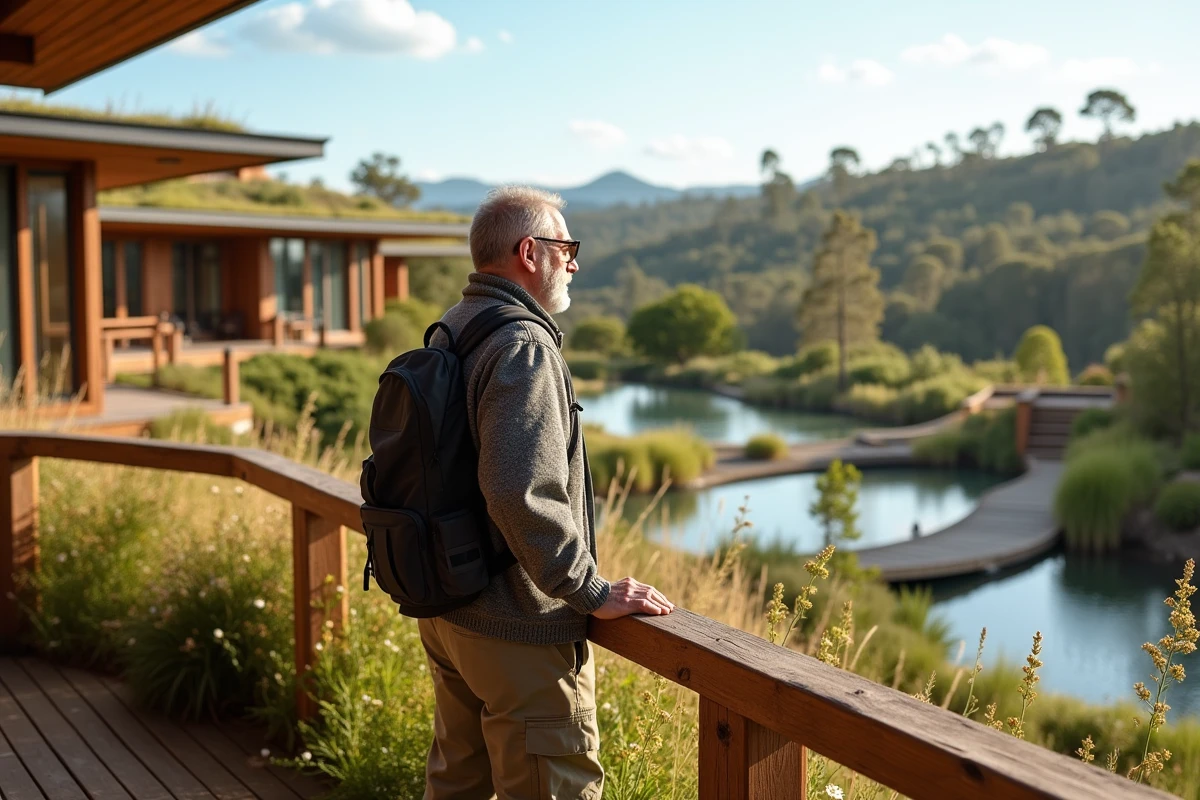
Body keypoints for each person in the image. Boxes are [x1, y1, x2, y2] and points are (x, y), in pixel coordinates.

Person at [419, 185, 675, 800]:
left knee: (457, 785)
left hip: (452, 609)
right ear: (529, 252)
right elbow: (519, 491)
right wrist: (587, 589)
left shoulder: (453, 329)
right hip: (516, 625)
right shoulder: (523, 346)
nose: (575, 264)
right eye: (567, 248)